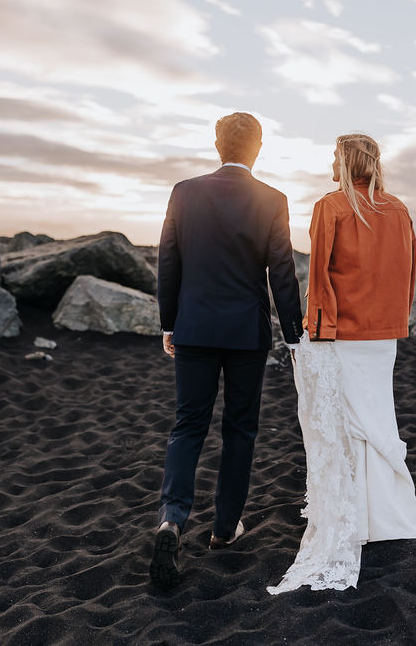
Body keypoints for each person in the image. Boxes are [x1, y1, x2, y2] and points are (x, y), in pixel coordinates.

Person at [150, 112, 303, 590]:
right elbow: (282, 270)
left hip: (193, 327)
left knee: (188, 425)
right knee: (240, 429)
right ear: (258, 147)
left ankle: (172, 519)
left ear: (217, 145)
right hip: (245, 334)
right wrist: (294, 333)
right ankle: (223, 529)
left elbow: (168, 259)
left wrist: (169, 322)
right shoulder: (273, 199)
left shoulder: (184, 191)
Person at [267, 133, 416, 594]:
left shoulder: (332, 206)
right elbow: (407, 271)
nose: (329, 165)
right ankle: (387, 517)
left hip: (342, 332)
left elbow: (318, 274)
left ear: (346, 161)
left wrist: (315, 328)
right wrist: (398, 318)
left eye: (334, 157)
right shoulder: (398, 209)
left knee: (346, 425)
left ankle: (360, 519)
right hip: (384, 335)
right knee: (376, 418)